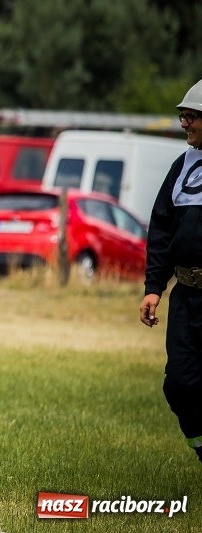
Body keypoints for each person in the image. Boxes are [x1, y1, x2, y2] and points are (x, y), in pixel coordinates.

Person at [140, 78, 202, 465]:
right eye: (182, 116)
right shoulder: (183, 166)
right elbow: (162, 226)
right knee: (179, 383)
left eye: (191, 117)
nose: (184, 124)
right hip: (187, 296)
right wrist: (154, 287)